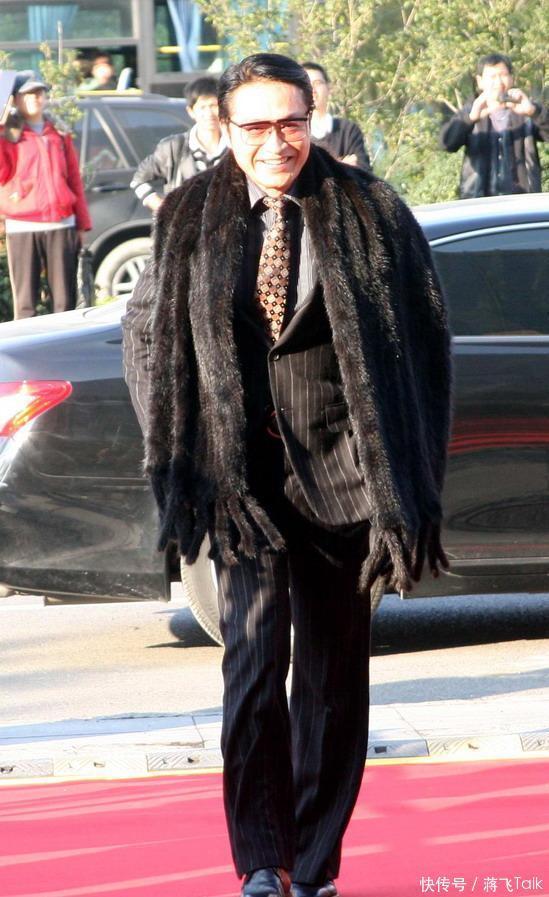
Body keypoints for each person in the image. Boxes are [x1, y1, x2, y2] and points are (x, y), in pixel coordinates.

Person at [124, 53, 451, 897]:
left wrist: (408, 471)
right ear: (225, 128)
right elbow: (147, 334)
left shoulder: (370, 210)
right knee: (252, 669)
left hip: (342, 475)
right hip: (238, 485)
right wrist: (177, 443)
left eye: (292, 122)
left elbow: (423, 341)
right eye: (258, 126)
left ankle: (313, 863)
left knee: (333, 681)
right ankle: (260, 861)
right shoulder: (189, 213)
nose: (277, 142)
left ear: (315, 118)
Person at [0, 71, 91, 319]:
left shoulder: (58, 133)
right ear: (15, 99)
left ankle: (67, 342)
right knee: (25, 303)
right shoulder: (9, 135)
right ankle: (26, 343)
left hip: (61, 223)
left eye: (39, 93)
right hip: (23, 224)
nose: (35, 98)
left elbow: (74, 179)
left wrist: (82, 224)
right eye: (28, 94)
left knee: (65, 300)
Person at [440, 52, 549, 198]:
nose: (498, 83)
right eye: (492, 77)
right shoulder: (471, 111)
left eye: (503, 75)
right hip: (479, 201)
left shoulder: (526, 110)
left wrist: (534, 112)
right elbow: (446, 144)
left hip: (522, 200)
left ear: (512, 78)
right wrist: (470, 119)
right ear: (480, 81)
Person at [130, 76, 227, 213]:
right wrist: (164, 210)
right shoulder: (173, 147)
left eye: (213, 106)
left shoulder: (237, 146)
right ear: (191, 111)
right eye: (202, 107)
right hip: (186, 225)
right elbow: (138, 181)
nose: (209, 113)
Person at [301, 61, 370, 169]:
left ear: (329, 88)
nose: (313, 90)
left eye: (318, 83)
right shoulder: (295, 133)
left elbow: (363, 173)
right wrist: (340, 165)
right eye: (307, 84)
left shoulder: (348, 131)